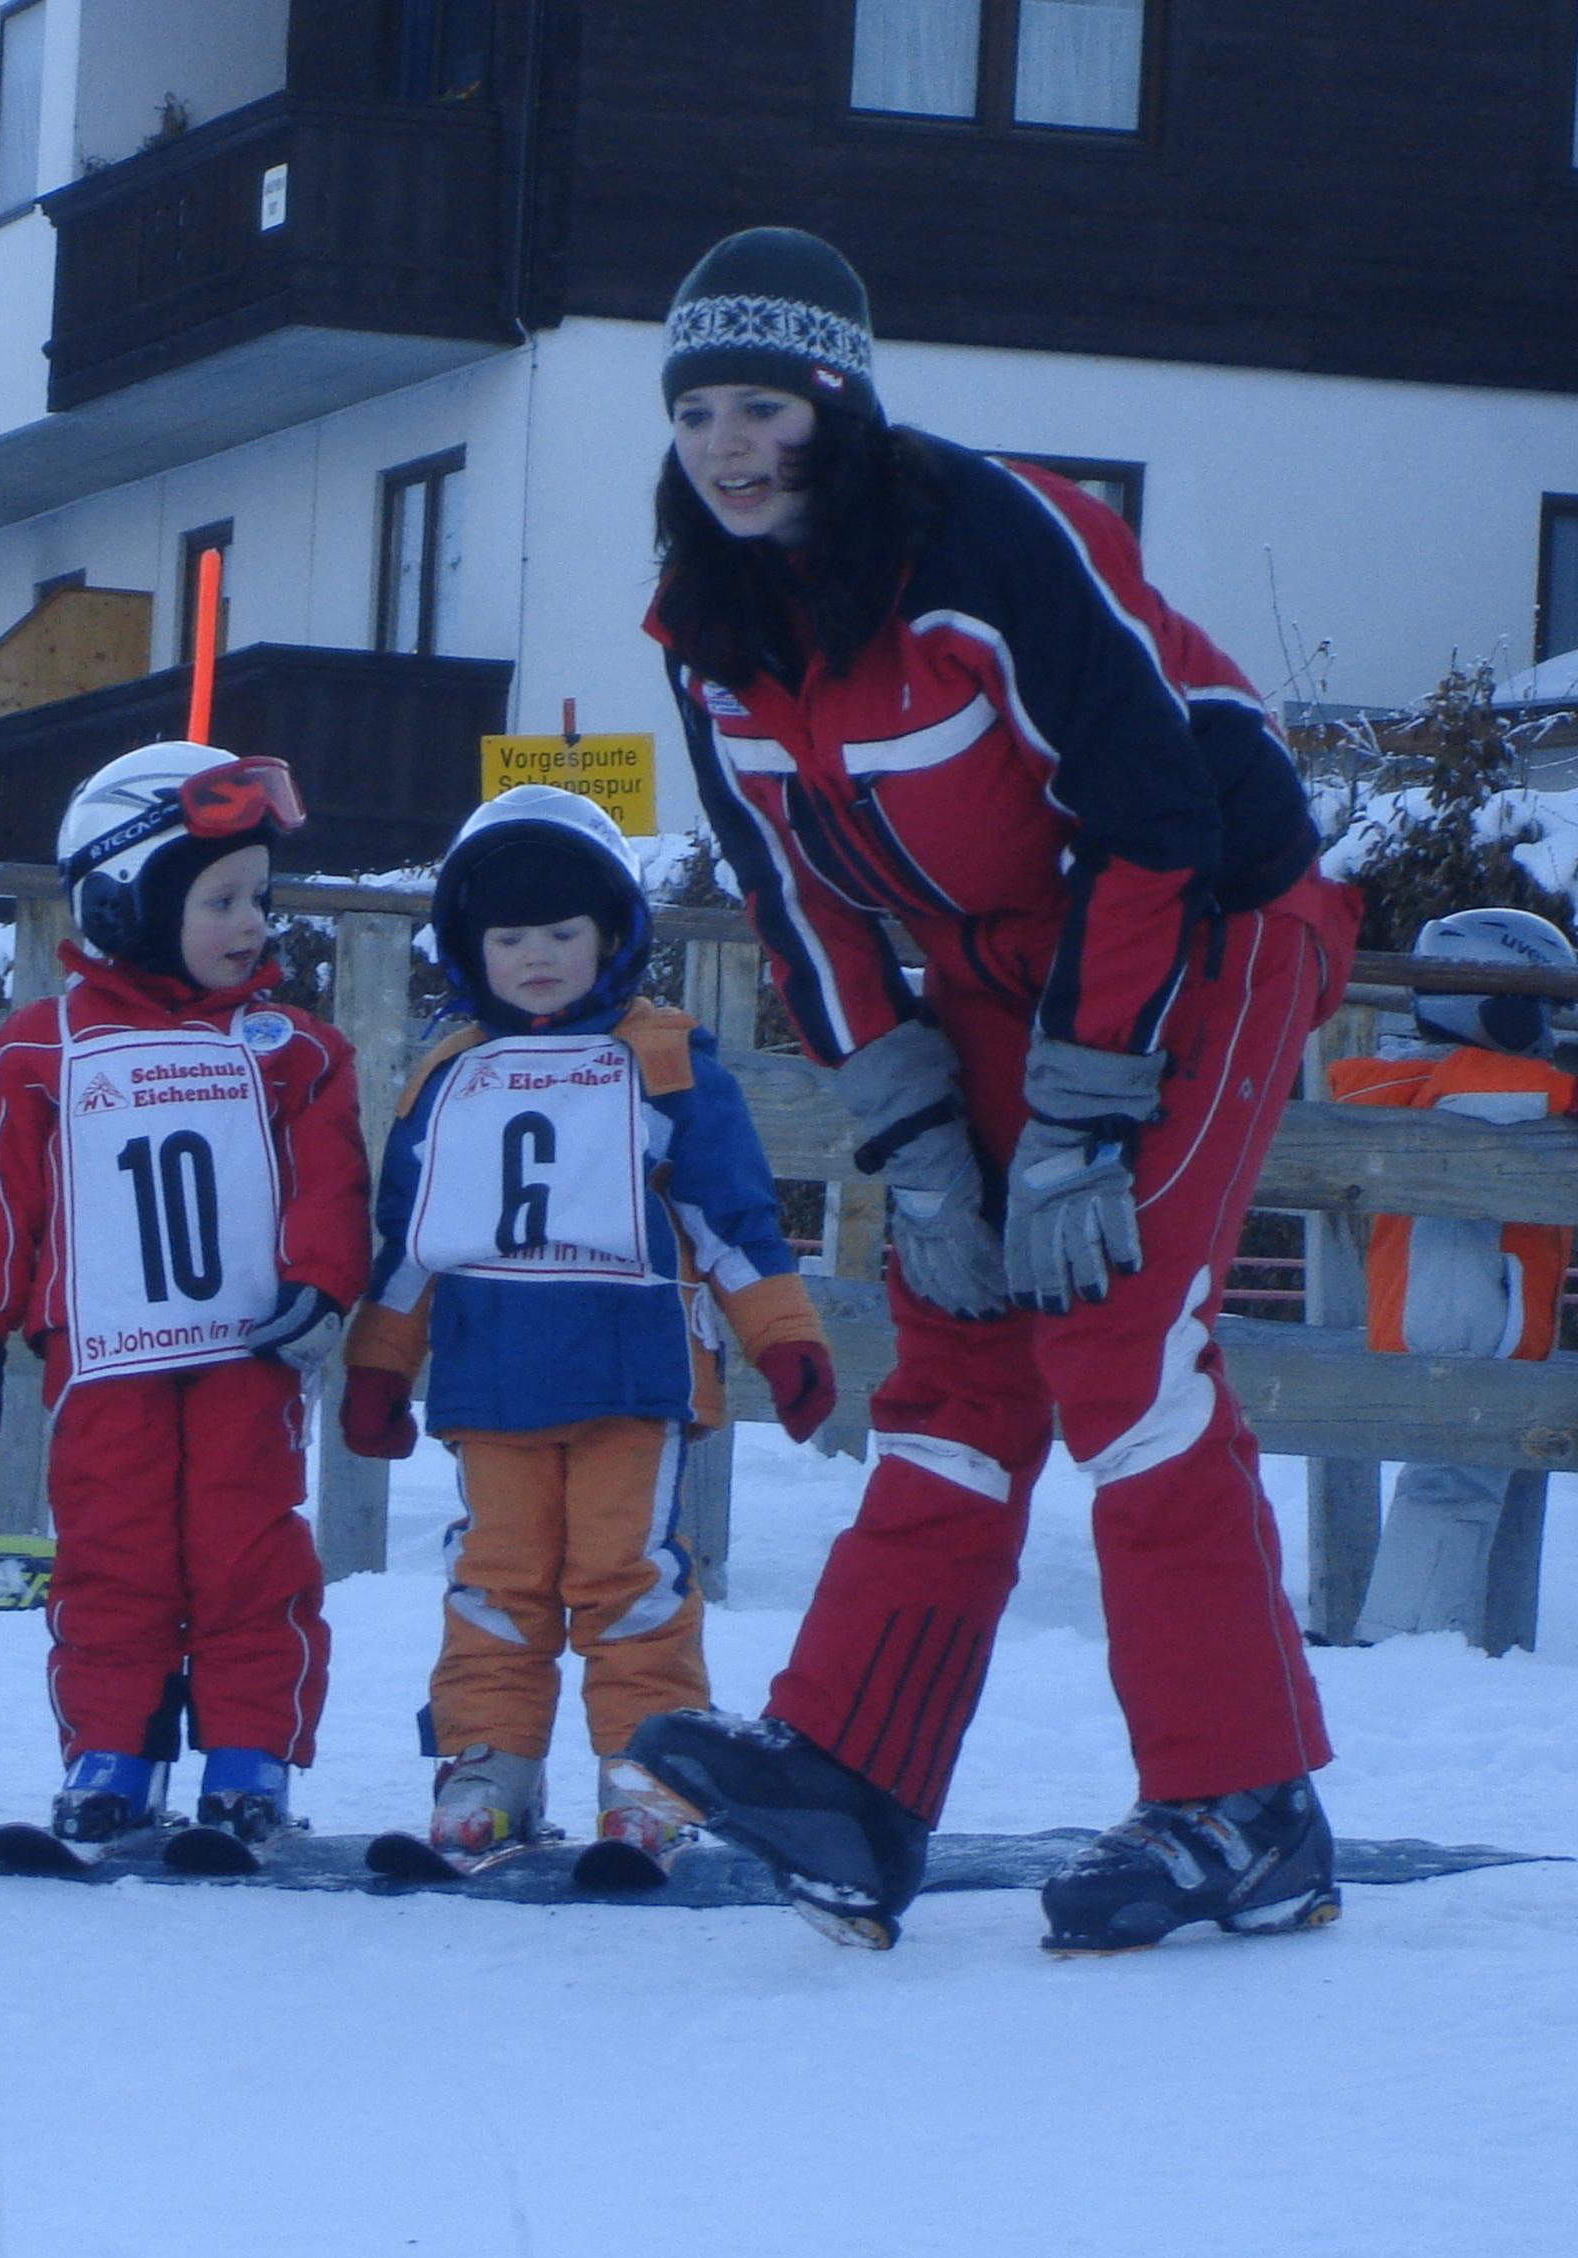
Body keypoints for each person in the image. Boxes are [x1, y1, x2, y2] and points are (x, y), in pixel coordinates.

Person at [616, 227, 1363, 1955]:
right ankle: (852, 1774)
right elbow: (791, 899)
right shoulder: (704, 623)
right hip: (979, 967)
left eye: (764, 406)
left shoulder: (986, 540)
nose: (728, 446)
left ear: (839, 399)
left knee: (1115, 1330)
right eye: (696, 411)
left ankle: (1244, 1803)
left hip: (1206, 924)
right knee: (957, 1344)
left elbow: (1156, 812)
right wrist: (915, 1142)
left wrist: (1082, 1117)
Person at [337, 788, 835, 1872]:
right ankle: (489, 1764)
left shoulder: (665, 1057)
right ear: (470, 948)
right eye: (509, 936)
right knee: (495, 1580)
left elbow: (732, 1218)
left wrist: (782, 1336)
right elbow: (412, 1241)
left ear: (612, 936)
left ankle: (647, 1773)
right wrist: (379, 1364)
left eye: (562, 933)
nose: (537, 957)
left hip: (632, 1376)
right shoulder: (448, 1073)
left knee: (631, 1580)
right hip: (490, 1381)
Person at [0, 742, 370, 1846]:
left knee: (247, 1551)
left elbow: (329, 1179)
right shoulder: (37, 1051)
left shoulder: (291, 1050)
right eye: (220, 901)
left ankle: (249, 1753)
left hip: (244, 1356)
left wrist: (319, 1283)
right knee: (110, 1553)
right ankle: (111, 1749)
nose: (251, 924)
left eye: (259, 898)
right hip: (104, 1363)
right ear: (123, 904)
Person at [1330, 906, 1577, 1644]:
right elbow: (1517, 1090)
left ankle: (1418, 1641)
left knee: (1456, 1475)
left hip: (1466, 1298)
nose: (1548, 1033)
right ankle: (1401, 1644)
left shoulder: (1438, 1081)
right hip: (1460, 1307)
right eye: (1537, 1009)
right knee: (1453, 1479)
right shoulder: (1459, 1084)